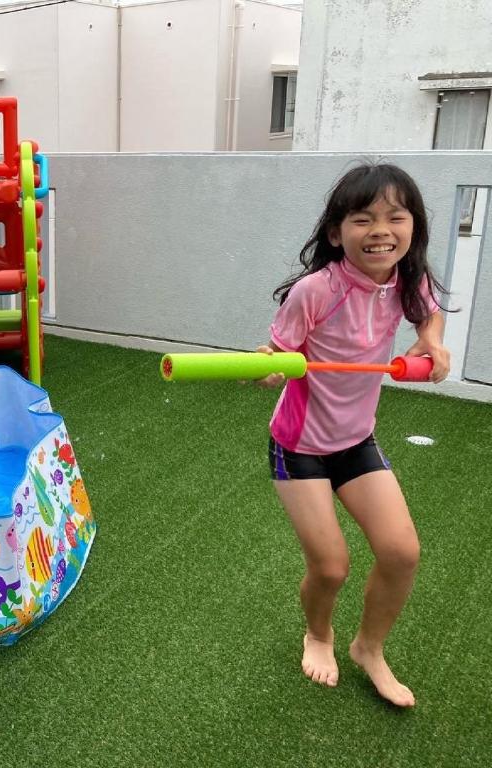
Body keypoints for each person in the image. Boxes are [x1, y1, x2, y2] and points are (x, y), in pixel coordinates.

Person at [259, 163, 450, 707]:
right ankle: (318, 634)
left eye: (396, 216)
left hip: (355, 441)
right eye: (363, 219)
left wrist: (432, 344)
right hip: (299, 446)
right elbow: (277, 355)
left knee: (401, 552)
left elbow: (429, 317)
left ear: (413, 227)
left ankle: (370, 647)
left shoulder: (410, 281)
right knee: (331, 565)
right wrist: (269, 366)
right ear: (336, 233)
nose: (381, 230)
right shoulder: (316, 290)